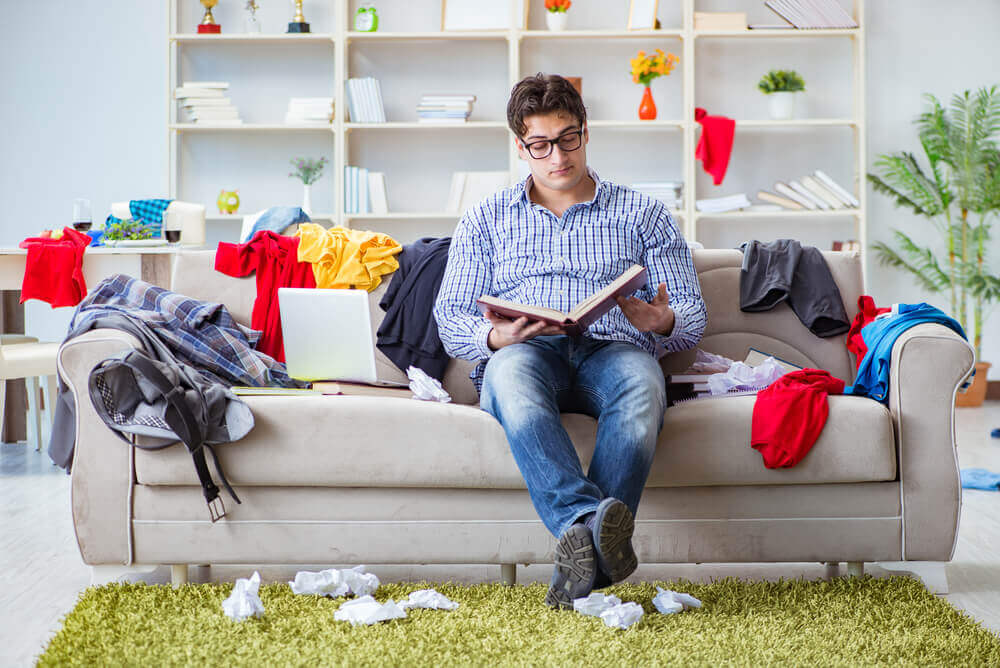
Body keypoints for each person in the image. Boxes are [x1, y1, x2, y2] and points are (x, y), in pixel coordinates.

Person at [433, 73, 707, 609]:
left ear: (586, 131)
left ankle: (581, 563)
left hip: (616, 349)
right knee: (511, 380)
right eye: (540, 145)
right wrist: (495, 335)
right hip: (526, 353)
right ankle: (587, 527)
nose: (557, 156)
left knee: (640, 393)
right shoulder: (485, 220)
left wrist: (660, 322)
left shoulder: (644, 214)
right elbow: (449, 318)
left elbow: (692, 318)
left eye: (568, 138)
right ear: (520, 146)